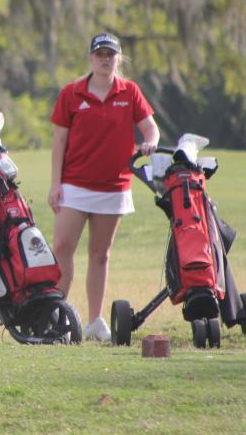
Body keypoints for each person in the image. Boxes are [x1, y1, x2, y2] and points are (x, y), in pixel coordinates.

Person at [47, 32, 160, 342]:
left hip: (113, 186)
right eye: (100, 54)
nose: (105, 59)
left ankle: (95, 321)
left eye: (111, 55)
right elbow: (59, 141)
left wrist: (150, 143)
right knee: (62, 247)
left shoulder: (130, 91)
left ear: (118, 59)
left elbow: (151, 128)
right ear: (90, 58)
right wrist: (55, 184)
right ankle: (56, 314)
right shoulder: (71, 93)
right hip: (74, 183)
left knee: (100, 254)